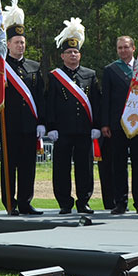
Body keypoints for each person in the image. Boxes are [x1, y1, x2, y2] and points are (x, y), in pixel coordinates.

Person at [46, 18, 103, 214]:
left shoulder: (90, 75)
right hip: (62, 131)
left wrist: (96, 125)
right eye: (69, 52)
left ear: (80, 55)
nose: (72, 55)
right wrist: (51, 127)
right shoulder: (54, 76)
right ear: (62, 55)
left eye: (75, 52)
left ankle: (84, 201)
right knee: (61, 168)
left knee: (84, 168)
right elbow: (50, 103)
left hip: (84, 130)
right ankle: (64, 202)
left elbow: (96, 102)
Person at [0, 0, 45, 215]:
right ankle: (10, 203)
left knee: (28, 166)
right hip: (9, 126)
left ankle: (26, 202)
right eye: (16, 42)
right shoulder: (1, 67)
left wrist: (41, 123)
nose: (20, 45)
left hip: (29, 126)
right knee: (9, 166)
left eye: (23, 42)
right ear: (8, 44)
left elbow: (40, 97)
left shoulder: (34, 67)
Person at [101, 35, 138, 215]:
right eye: (120, 48)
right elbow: (106, 98)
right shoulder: (110, 70)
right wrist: (105, 123)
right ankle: (120, 202)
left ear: (133, 48)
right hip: (118, 124)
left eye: (126, 47)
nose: (123, 50)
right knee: (118, 165)